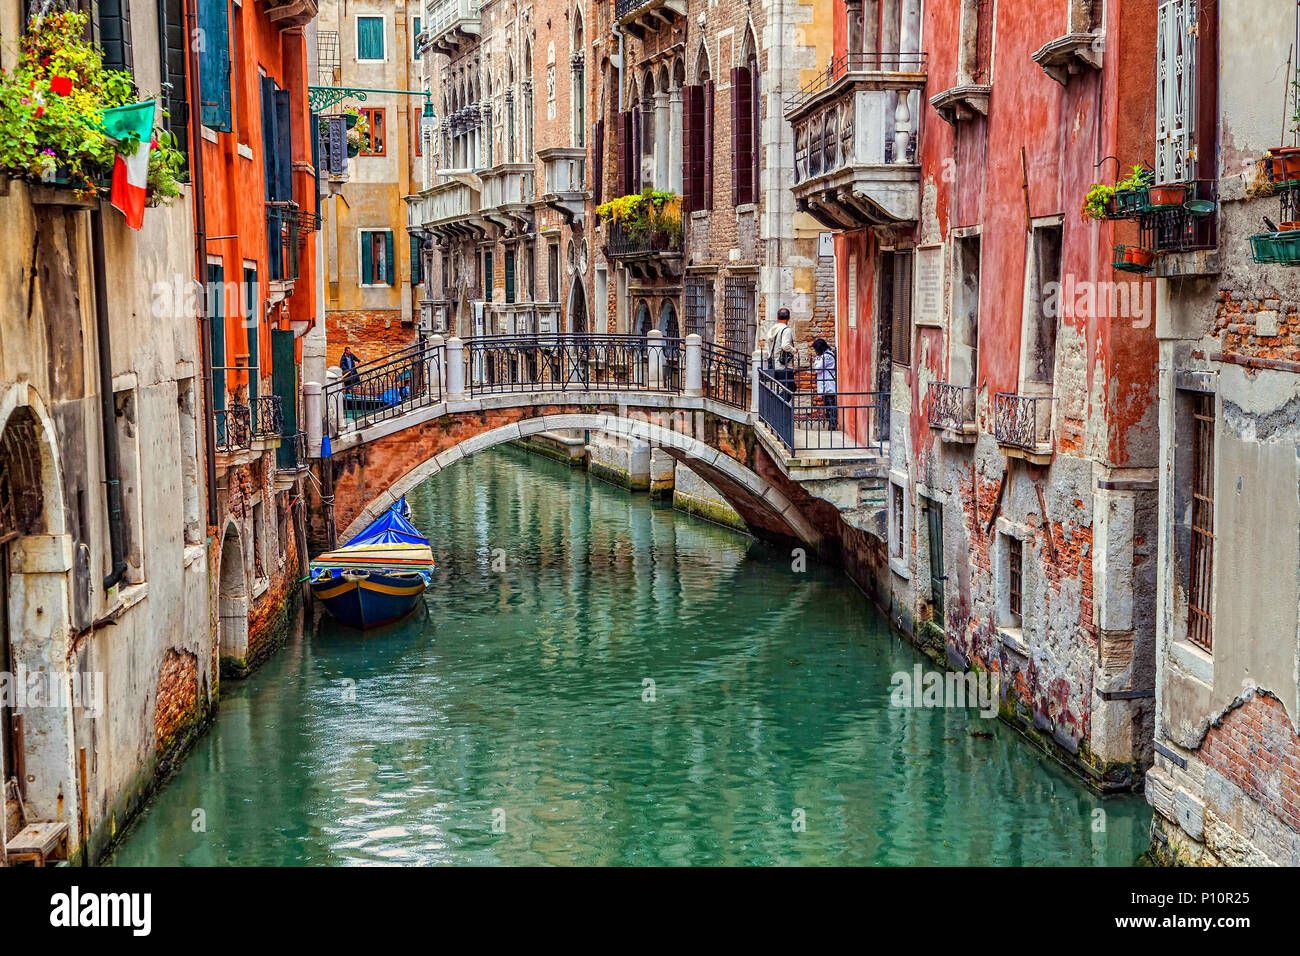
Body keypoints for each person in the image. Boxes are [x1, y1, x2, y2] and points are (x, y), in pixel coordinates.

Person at [763, 308, 797, 394]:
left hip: (773, 364)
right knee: (791, 389)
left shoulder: (772, 329)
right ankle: (777, 406)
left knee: (788, 388)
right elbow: (785, 346)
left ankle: (779, 405)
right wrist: (794, 350)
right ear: (789, 318)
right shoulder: (786, 330)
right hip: (783, 365)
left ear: (777, 318)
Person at [811, 337, 837, 429]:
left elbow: (817, 369)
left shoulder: (826, 356)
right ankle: (831, 423)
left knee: (830, 404)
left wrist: (817, 360)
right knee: (827, 404)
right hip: (825, 382)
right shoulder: (824, 356)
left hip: (828, 383)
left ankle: (832, 424)